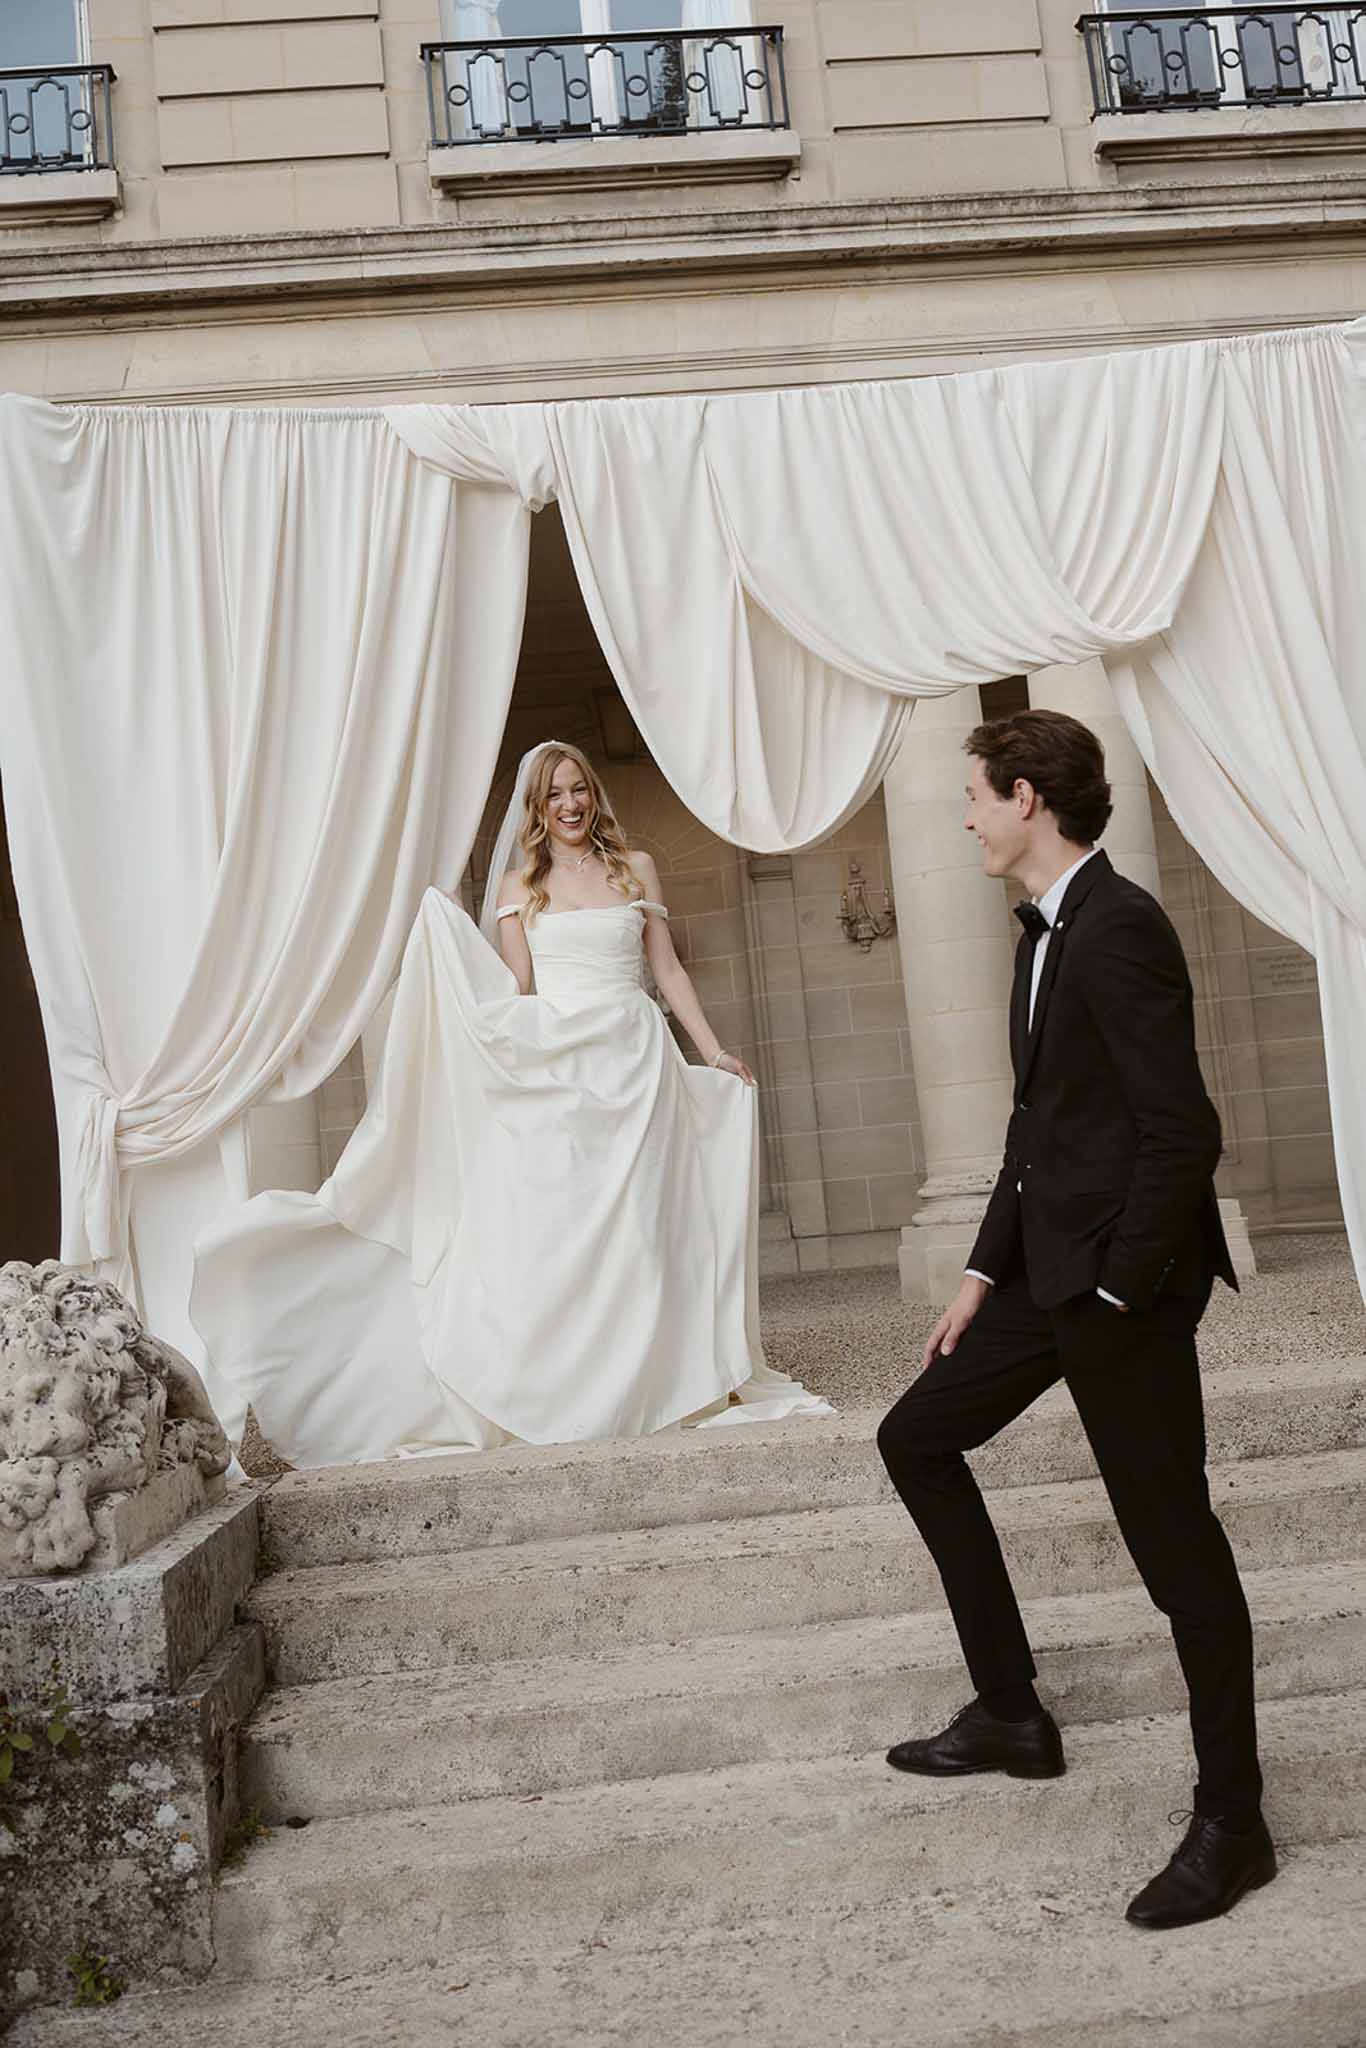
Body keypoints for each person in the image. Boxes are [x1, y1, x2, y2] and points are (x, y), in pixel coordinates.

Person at [875, 708, 1273, 1932]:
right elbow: (1035, 1134)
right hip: (1045, 1279)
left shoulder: (1122, 929)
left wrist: (1113, 1288)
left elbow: (1181, 1132)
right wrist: (979, 1276)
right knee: (914, 1438)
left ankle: (1233, 1820)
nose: (965, 815)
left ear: (1026, 800)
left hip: (1121, 1296)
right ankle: (1010, 1708)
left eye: (976, 797)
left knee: (1176, 1554)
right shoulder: (1039, 936)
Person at [189, 739, 830, 1465]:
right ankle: (572, 1379)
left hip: (639, 1065)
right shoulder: (519, 887)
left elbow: (667, 968)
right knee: (573, 1225)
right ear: (537, 807)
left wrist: (711, 1050)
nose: (569, 805)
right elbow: (514, 989)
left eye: (578, 790)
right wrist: (453, 977)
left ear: (593, 794)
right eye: (554, 794)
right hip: (565, 1069)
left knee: (645, 1223)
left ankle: (656, 1380)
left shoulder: (637, 869)